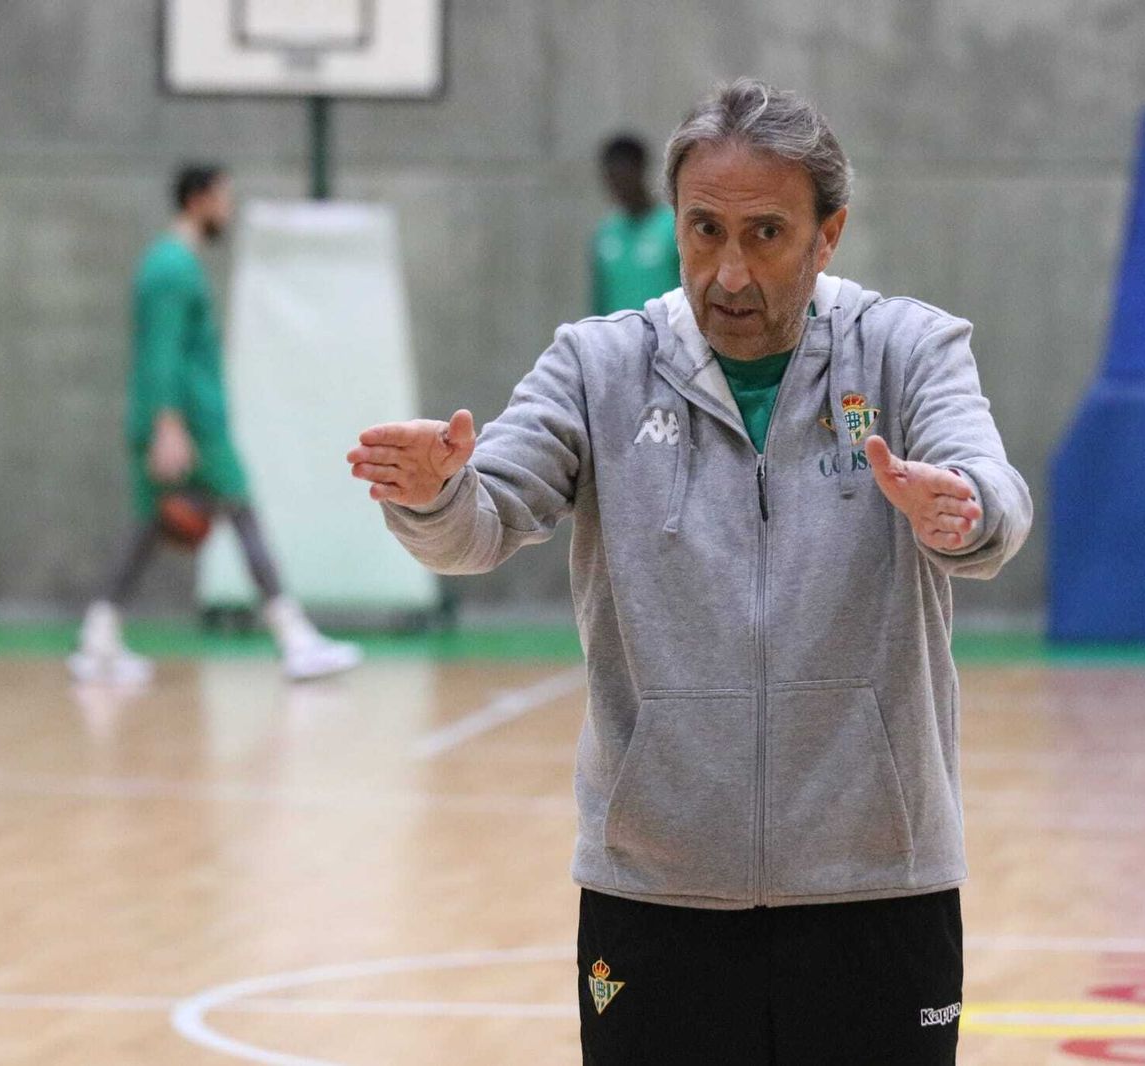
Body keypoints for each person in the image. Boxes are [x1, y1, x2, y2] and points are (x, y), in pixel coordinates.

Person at [348, 80, 1031, 1064]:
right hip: (654, 896)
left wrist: (959, 510)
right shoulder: (595, 366)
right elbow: (485, 517)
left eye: (765, 234)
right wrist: (431, 494)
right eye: (704, 229)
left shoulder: (905, 350)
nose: (729, 271)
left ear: (828, 234)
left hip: (880, 886)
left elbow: (987, 490)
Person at [70, 164, 362, 685]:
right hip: (191, 424)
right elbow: (160, 351)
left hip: (181, 419)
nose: (228, 208)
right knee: (242, 512)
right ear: (199, 200)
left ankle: (98, 637)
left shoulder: (171, 264)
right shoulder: (171, 269)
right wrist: (168, 424)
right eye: (224, 197)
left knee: (147, 527)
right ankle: (294, 638)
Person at [590, 133, 680, 315]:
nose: (617, 184)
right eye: (610, 176)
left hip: (667, 339)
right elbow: (599, 301)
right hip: (616, 341)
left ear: (640, 169)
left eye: (622, 175)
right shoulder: (605, 233)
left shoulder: (673, 227)